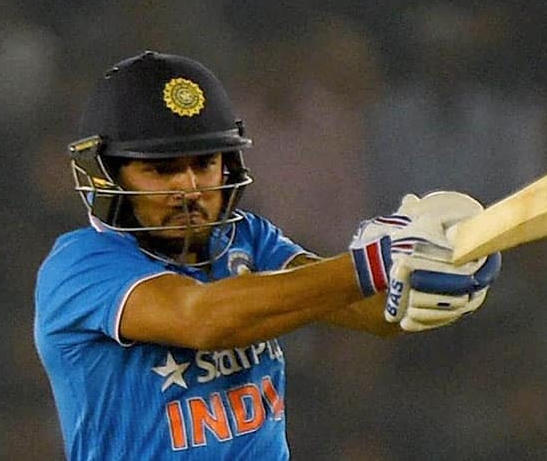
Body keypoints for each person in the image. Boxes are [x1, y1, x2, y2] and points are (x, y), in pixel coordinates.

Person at [33, 50, 501, 460]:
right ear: (108, 175)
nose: (190, 187)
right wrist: (375, 262)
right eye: (161, 170)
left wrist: (440, 263)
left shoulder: (249, 238)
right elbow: (203, 319)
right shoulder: (79, 265)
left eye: (204, 163)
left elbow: (371, 312)